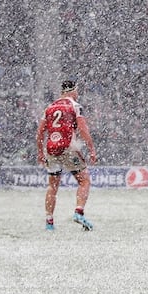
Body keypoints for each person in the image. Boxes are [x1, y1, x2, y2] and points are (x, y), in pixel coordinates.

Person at [36, 80, 97, 231]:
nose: (78, 94)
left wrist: (40, 152)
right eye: (77, 91)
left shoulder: (49, 108)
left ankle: (49, 222)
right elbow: (83, 129)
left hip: (51, 148)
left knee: (52, 186)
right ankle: (79, 212)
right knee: (84, 181)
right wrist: (91, 149)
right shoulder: (75, 106)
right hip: (68, 148)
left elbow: (39, 133)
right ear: (72, 91)